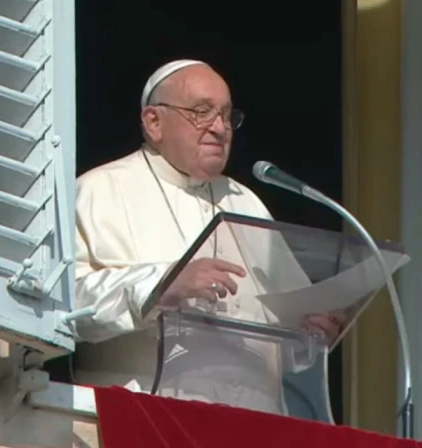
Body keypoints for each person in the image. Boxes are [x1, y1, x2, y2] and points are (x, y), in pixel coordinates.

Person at [72, 60, 345, 416]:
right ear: (153, 122)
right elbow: (66, 308)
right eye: (201, 112)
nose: (220, 128)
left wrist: (309, 334)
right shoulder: (99, 190)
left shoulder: (247, 203)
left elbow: (278, 336)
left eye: (228, 116)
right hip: (143, 419)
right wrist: (159, 286)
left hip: (251, 425)